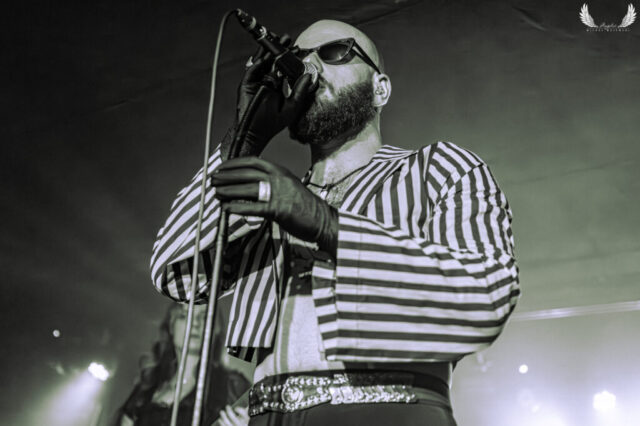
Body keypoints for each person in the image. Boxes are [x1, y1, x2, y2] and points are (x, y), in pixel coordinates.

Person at [150, 19, 520, 426]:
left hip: (386, 410)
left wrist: (328, 225)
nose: (310, 68)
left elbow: (487, 295)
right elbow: (176, 274)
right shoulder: (271, 201)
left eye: (334, 53)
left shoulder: (437, 167)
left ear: (380, 88)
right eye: (299, 59)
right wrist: (243, 140)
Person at [113, 302, 251, 426]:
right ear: (171, 327)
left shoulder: (232, 385)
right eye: (184, 315)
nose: (195, 323)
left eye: (204, 317)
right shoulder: (147, 388)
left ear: (216, 329)